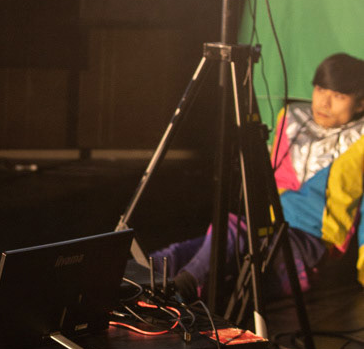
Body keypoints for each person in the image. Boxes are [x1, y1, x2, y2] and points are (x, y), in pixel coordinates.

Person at [151, 52, 364, 302]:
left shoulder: (360, 141)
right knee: (197, 247)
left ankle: (185, 287)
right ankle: (131, 278)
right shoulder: (292, 119)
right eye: (320, 89)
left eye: (339, 96)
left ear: (360, 104)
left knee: (232, 234)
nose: (324, 103)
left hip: (311, 245)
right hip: (267, 232)